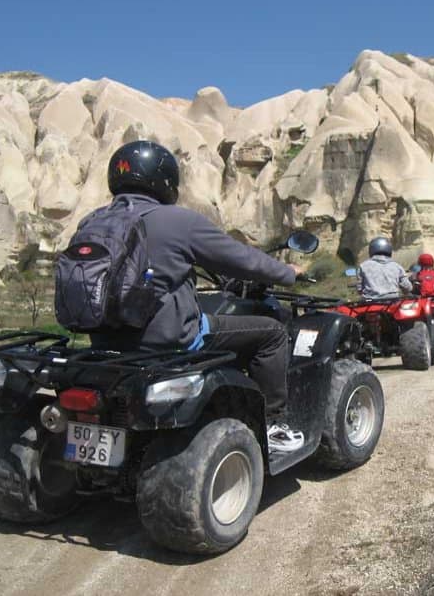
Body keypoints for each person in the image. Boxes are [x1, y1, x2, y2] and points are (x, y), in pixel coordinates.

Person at [84, 140, 305, 453]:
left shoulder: (92, 221)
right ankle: (274, 424)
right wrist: (287, 273)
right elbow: (241, 259)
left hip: (102, 342)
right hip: (169, 339)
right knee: (272, 334)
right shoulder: (177, 220)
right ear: (164, 181)